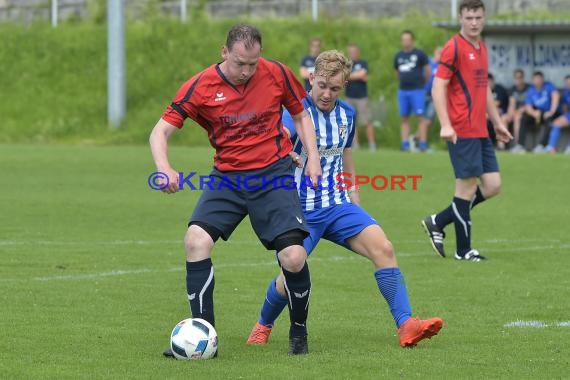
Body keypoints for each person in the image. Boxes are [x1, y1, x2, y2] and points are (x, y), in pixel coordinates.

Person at [246, 50, 443, 348]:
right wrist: (283, 151)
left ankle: (406, 325)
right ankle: (263, 325)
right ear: (311, 78)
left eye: (335, 88)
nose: (326, 93)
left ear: (345, 86)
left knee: (384, 248)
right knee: (289, 276)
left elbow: (345, 154)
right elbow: (273, 140)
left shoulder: (347, 115)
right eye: (322, 85)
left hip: (338, 205)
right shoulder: (294, 112)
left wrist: (355, 193)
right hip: (301, 212)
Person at [149, 24, 322, 356]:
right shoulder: (200, 87)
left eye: (253, 64)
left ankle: (298, 330)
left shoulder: (276, 73)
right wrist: (164, 167)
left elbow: (301, 115)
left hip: (273, 174)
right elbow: (160, 132)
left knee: (294, 256)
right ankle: (203, 337)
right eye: (240, 63)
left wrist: (312, 158)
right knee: (195, 240)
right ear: (224, 52)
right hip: (227, 177)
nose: (246, 71)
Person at [421, 0, 512, 262]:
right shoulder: (453, 47)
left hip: (480, 129)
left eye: (478, 17)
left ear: (484, 18)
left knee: (493, 185)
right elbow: (438, 87)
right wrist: (446, 124)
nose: (474, 22)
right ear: (460, 18)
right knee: (466, 189)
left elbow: (483, 91)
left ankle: (438, 220)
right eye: (469, 17)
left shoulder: (481, 47)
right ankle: (464, 250)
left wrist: (497, 122)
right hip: (461, 129)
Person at [394, 30, 431, 152]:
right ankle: (404, 144)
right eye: (404, 39)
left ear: (412, 40)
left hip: (417, 90)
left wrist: (421, 83)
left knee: (421, 117)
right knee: (404, 118)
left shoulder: (420, 54)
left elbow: (427, 71)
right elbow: (397, 73)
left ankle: (423, 144)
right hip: (403, 91)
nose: (406, 41)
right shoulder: (398, 56)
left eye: (408, 39)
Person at [510, 71, 560, 153]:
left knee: (549, 120)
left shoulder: (549, 86)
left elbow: (555, 96)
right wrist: (534, 113)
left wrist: (551, 111)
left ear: (542, 79)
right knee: (524, 118)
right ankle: (520, 145)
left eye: (539, 79)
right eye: (535, 79)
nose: (537, 81)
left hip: (548, 112)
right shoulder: (531, 90)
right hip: (536, 113)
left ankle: (542, 146)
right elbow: (528, 106)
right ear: (533, 80)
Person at [345, 43, 376, 151]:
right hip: (349, 96)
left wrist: (350, 76)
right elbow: (344, 75)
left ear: (358, 52)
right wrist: (357, 76)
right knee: (352, 122)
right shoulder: (346, 64)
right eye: (351, 52)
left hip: (362, 97)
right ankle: (355, 144)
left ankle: (372, 144)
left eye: (354, 51)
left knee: (366, 121)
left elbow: (363, 74)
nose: (352, 53)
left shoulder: (363, 63)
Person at [417, 46, 443, 152]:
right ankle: (420, 141)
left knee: (428, 120)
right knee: (423, 118)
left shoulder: (442, 66)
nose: (440, 56)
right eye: (439, 53)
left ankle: (416, 138)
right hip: (423, 93)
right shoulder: (428, 63)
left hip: (434, 96)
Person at [543, 75, 570, 154]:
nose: (569, 85)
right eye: (567, 83)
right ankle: (551, 147)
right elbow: (565, 106)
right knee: (556, 123)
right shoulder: (566, 93)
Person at [505, 68, 530, 150]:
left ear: (523, 78)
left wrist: (518, 111)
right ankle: (502, 145)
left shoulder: (529, 88)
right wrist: (509, 114)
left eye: (520, 77)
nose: (518, 80)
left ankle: (517, 144)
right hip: (515, 112)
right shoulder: (512, 89)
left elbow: (530, 104)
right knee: (503, 119)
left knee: (517, 117)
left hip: (527, 112)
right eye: (516, 78)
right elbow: (511, 104)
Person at [487, 73, 510, 147]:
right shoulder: (482, 90)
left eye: (489, 81)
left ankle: (501, 145)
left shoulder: (499, 89)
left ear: (493, 81)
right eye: (486, 82)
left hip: (501, 114)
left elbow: (496, 104)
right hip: (488, 114)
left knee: (503, 119)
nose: (488, 84)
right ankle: (484, 144)